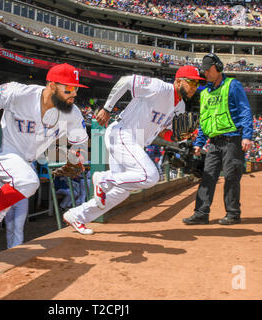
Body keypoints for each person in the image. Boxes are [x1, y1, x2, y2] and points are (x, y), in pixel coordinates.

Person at [0, 63, 89, 268]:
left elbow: (79, 143)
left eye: (76, 89)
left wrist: (75, 157)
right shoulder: (19, 93)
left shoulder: (72, 112)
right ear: (52, 86)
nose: (74, 93)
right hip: (0, 150)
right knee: (27, 182)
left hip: (22, 162)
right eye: (68, 88)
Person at [62, 65, 204, 234]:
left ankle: (77, 215)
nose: (194, 87)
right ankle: (103, 179)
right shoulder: (160, 87)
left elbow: (165, 132)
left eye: (197, 84)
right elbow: (126, 81)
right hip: (122, 133)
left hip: (133, 143)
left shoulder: (179, 106)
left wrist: (184, 135)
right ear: (179, 81)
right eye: (192, 82)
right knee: (150, 176)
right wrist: (107, 108)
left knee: (122, 191)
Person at [182, 53, 253, 226]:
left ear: (218, 68)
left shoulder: (232, 85)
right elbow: (204, 120)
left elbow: (245, 110)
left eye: (208, 70)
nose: (205, 74)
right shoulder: (205, 93)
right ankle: (201, 214)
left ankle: (233, 213)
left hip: (233, 140)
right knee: (207, 177)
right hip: (213, 142)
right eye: (204, 70)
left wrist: (247, 136)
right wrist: (199, 143)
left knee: (231, 177)